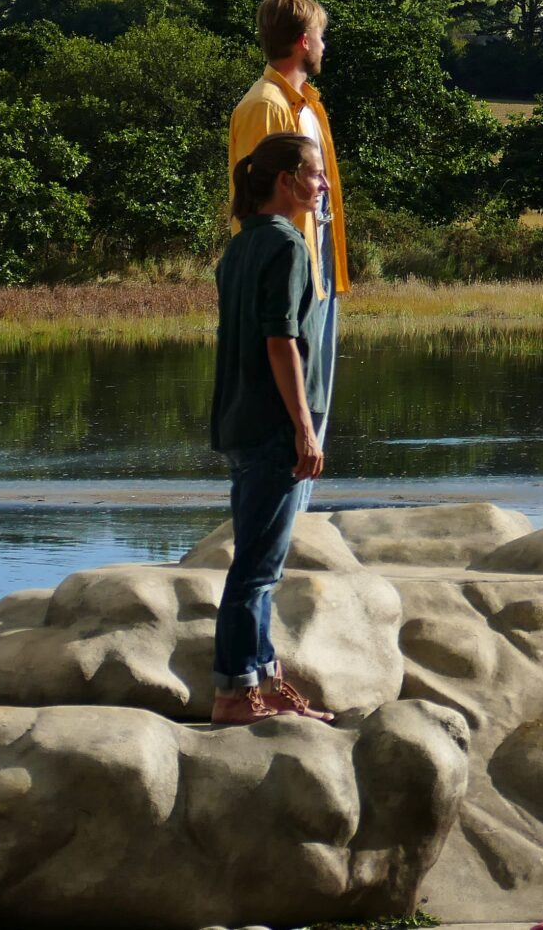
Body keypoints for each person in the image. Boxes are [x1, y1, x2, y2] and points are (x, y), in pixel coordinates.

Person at [208, 131, 338, 725]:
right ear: (287, 180)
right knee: (256, 571)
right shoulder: (287, 245)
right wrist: (304, 430)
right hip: (270, 430)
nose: (323, 186)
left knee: (262, 564)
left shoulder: (238, 249)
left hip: (239, 423)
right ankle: (235, 695)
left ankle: (264, 678)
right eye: (315, 175)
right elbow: (280, 342)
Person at [230, 0, 350, 441]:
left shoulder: (306, 105)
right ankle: (285, 512)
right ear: (303, 40)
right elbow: (259, 200)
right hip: (292, 273)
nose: (324, 46)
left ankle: (295, 513)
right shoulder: (267, 106)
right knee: (291, 421)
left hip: (315, 272)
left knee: (313, 413)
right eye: (321, 36)